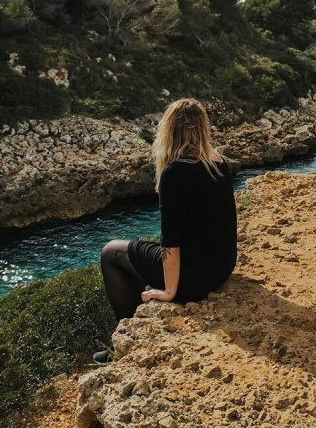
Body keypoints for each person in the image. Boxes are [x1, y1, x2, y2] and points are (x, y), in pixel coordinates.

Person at [94, 98, 238, 364]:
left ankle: (123, 341)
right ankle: (138, 314)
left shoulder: (175, 173)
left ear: (169, 129)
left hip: (193, 278)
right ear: (203, 128)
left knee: (110, 252)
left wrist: (170, 292)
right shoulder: (220, 162)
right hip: (221, 267)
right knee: (139, 249)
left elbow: (171, 243)